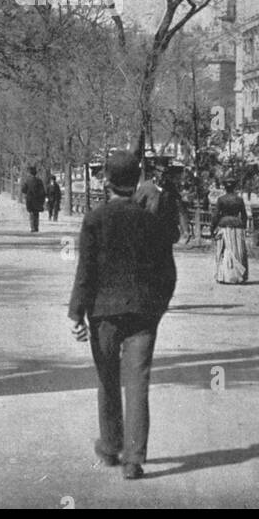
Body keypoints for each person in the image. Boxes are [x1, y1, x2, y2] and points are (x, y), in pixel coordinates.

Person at [68, 150, 178, 481]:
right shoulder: (152, 221)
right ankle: (134, 459)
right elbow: (168, 274)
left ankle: (110, 445)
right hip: (144, 313)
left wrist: (76, 313)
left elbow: (85, 272)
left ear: (106, 180)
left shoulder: (95, 219)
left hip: (104, 313)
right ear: (137, 180)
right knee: (138, 383)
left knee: (107, 379)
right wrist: (156, 309)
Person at [212, 180, 249, 284]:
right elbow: (244, 215)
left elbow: (215, 215)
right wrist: (243, 228)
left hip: (224, 225)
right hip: (237, 226)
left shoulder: (221, 199)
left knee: (223, 249)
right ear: (234, 188)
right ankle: (238, 276)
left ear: (224, 188)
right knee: (238, 250)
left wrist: (213, 228)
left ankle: (224, 276)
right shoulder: (239, 200)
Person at [20, 165, 47, 233]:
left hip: (30, 199)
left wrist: (28, 192)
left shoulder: (27, 180)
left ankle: (32, 227)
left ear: (30, 173)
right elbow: (42, 191)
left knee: (31, 213)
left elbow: (23, 189)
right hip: (37, 199)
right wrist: (41, 198)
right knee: (36, 213)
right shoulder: (39, 181)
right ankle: (36, 227)